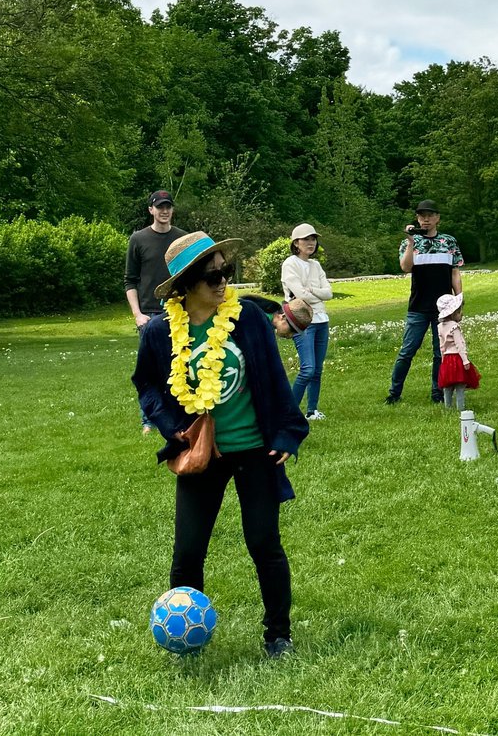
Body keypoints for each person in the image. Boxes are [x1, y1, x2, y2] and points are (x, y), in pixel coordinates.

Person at [133, 231, 307, 659]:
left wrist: (287, 431)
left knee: (264, 542)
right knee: (188, 551)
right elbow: (147, 385)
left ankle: (278, 636)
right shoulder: (159, 332)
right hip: (201, 454)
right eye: (212, 275)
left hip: (255, 450)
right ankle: (182, 636)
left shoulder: (246, 318)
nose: (222, 281)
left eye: (226, 271)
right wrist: (170, 424)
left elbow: (272, 378)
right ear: (186, 284)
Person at [387, 200, 463, 405]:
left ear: (438, 217)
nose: (425, 219)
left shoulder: (449, 242)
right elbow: (405, 267)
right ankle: (394, 393)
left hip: (444, 308)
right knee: (407, 351)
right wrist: (411, 242)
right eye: (421, 216)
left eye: (429, 215)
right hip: (418, 307)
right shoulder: (409, 242)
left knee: (441, 353)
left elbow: (455, 272)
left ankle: (437, 393)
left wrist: (459, 301)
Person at [280, 224, 333, 421]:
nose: (311, 243)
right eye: (306, 239)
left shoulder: (315, 265)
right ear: (296, 243)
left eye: (313, 239)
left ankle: (311, 411)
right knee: (308, 369)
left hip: (321, 319)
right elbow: (300, 295)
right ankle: (289, 414)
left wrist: (313, 291)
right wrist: (312, 292)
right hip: (301, 322)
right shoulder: (290, 264)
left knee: (317, 370)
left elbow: (329, 293)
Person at [125, 189, 183, 330]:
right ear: (151, 210)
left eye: (168, 207)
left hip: (179, 310)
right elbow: (130, 280)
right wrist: (138, 314)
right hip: (149, 314)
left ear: (172, 210)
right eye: (160, 207)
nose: (164, 211)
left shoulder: (183, 239)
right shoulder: (138, 239)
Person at [435, 293, 477, 410]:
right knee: (460, 385)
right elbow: (460, 345)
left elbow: (441, 346)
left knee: (447, 386)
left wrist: (443, 360)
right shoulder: (454, 326)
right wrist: (465, 360)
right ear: (453, 313)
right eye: (459, 312)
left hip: (447, 360)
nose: (461, 314)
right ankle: (461, 408)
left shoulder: (440, 327)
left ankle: (447, 407)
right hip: (457, 358)